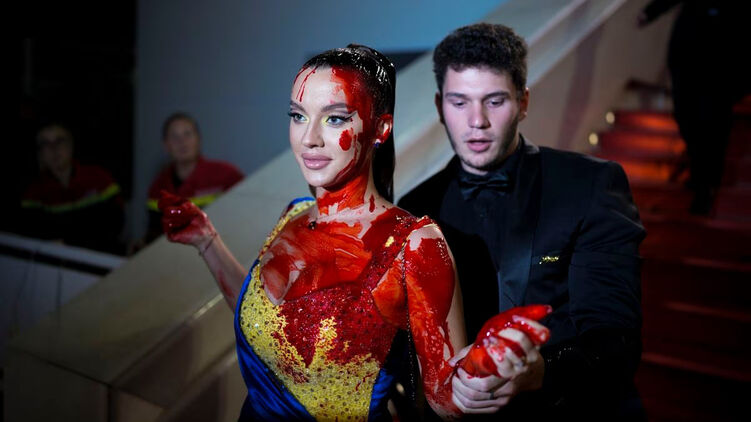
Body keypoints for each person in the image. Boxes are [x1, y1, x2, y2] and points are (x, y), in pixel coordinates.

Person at [398, 23, 646, 420]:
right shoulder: (415, 208)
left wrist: (541, 371)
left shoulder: (590, 185)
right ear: (440, 106)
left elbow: (617, 340)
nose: (477, 121)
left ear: (523, 101)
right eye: (459, 103)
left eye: (494, 101)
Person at [637, 0, 751, 214]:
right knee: (685, 115)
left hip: (725, 60)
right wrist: (650, 12)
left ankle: (707, 185)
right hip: (688, 54)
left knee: (714, 124)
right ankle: (699, 170)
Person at [20, 123, 125, 254]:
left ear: (71, 146)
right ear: (40, 153)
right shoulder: (33, 192)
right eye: (45, 144)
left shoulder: (98, 177)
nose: (54, 149)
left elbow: (114, 223)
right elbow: (34, 232)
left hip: (100, 258)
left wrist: (71, 241)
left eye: (59, 141)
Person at [145, 112, 243, 242]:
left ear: (199, 139)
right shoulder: (157, 188)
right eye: (174, 137)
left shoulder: (227, 175)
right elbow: (154, 236)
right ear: (166, 145)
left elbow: (243, 222)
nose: (182, 142)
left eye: (187, 134)